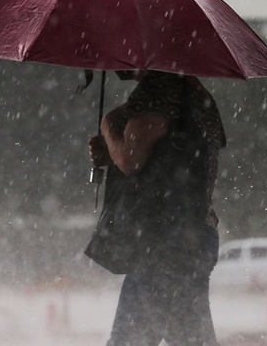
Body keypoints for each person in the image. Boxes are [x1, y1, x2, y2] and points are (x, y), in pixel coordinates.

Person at [85, 70, 226, 346]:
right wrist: (112, 145)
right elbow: (161, 158)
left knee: (190, 340)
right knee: (127, 340)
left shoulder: (159, 88)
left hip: (162, 243)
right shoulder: (195, 93)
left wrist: (107, 127)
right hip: (186, 236)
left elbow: (130, 159)